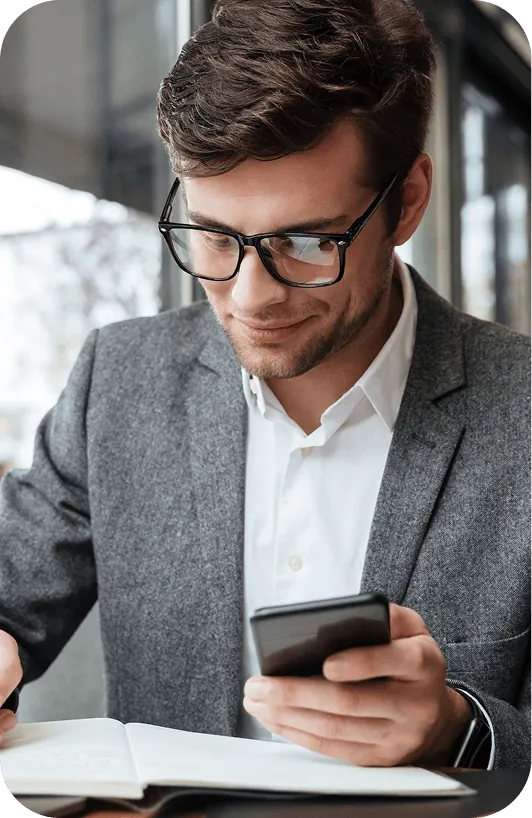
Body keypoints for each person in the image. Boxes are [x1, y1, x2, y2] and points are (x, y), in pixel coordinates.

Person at [0, 0, 529, 770]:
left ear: (408, 201)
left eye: (309, 240)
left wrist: (463, 731)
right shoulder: (117, 381)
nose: (250, 297)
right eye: (214, 236)